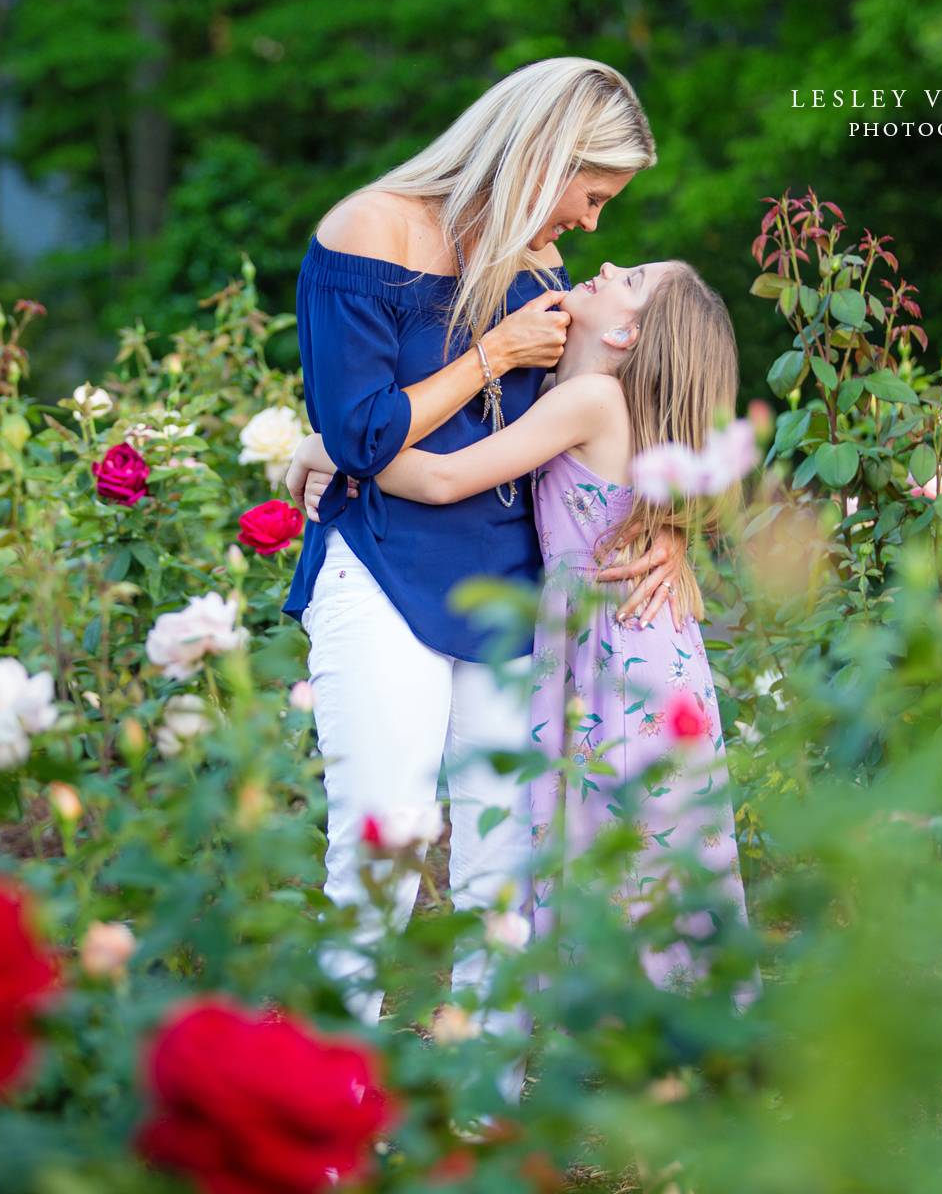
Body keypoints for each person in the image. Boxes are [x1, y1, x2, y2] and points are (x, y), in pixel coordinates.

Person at [283, 59, 687, 1054]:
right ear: (541, 155)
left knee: (505, 859)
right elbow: (369, 433)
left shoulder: (540, 268)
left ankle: (484, 1111)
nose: (593, 226)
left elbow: (614, 422)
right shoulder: (367, 234)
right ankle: (324, 1110)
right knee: (383, 838)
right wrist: (494, 353)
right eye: (590, 196)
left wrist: (668, 523)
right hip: (382, 567)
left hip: (511, 585)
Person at [291, 259, 749, 988]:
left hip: (616, 656)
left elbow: (445, 480)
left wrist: (329, 447)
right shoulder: (607, 401)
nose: (604, 264)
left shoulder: (594, 398)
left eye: (628, 278)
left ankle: (640, 1034)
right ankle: (676, 1031)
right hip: (649, 650)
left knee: (618, 842)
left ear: (629, 333)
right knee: (649, 848)